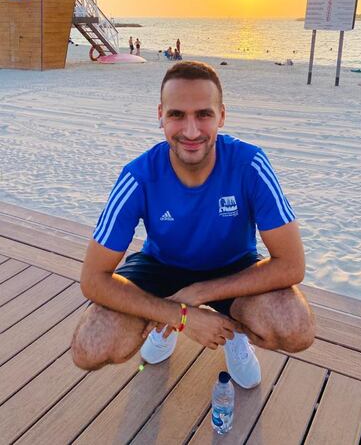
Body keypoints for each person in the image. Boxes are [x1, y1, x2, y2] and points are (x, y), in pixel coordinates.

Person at [71, 61, 315, 389]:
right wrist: (179, 315)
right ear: (160, 115)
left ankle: (231, 331)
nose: (190, 131)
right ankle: (164, 325)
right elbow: (92, 279)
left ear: (221, 116)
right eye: (176, 115)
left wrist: (199, 294)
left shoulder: (250, 164)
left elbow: (292, 264)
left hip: (234, 269)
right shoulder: (137, 176)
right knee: (91, 347)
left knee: (295, 328)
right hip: (161, 267)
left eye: (203, 114)